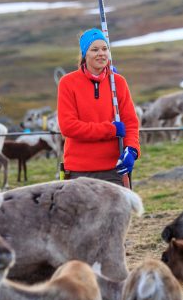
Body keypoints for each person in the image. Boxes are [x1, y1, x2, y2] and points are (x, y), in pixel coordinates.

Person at [57, 28, 140, 186]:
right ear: (84, 54)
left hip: (115, 169)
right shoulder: (68, 83)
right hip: (79, 170)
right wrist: (110, 130)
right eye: (94, 49)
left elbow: (130, 122)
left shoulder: (118, 82)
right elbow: (68, 127)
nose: (101, 53)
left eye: (105, 49)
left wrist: (132, 149)